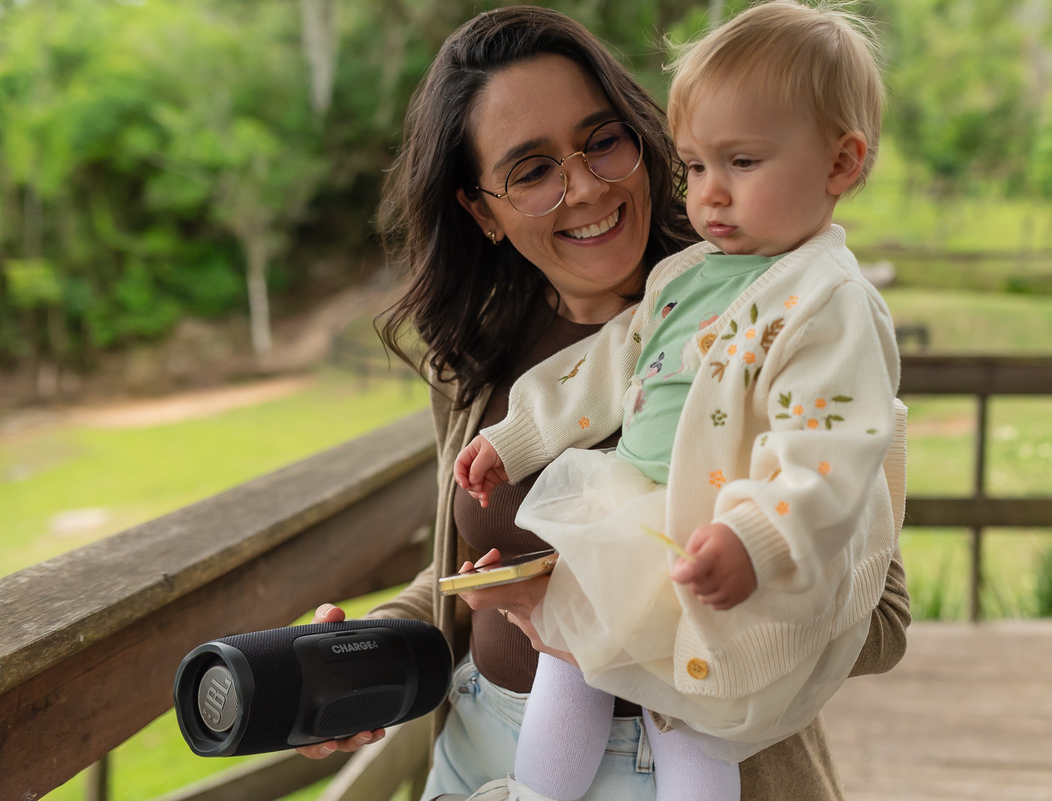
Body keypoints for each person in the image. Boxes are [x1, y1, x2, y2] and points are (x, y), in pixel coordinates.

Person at [297, 6, 912, 801]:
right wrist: (377, 645)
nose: (585, 184)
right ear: (483, 211)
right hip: (487, 758)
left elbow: (882, 615)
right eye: (532, 170)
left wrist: (605, 594)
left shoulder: (775, 314)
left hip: (698, 753)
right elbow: (463, 575)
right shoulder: (475, 365)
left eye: (602, 140)